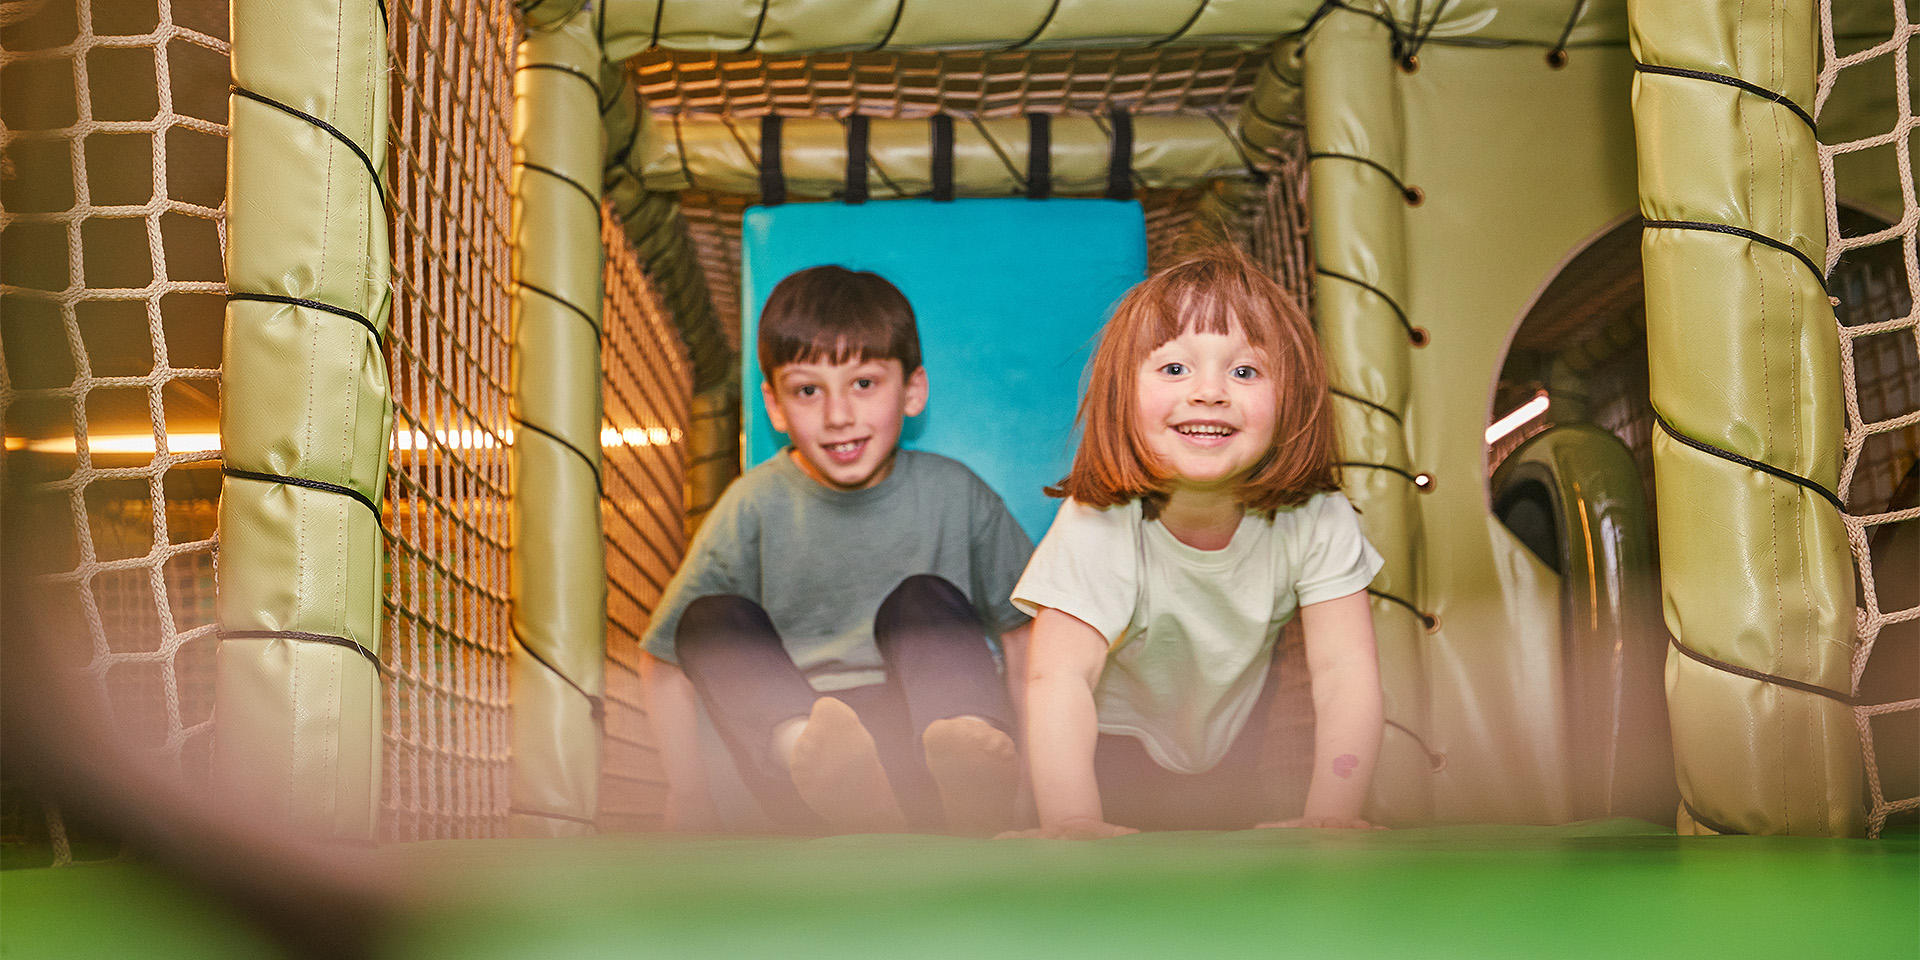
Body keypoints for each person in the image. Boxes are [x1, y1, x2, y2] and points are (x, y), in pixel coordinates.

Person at [640, 265, 1034, 836]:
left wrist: (1032, 781)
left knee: (922, 599)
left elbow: (1028, 636)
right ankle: (819, 761)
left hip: (926, 748)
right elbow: (664, 660)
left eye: (864, 384)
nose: (838, 416)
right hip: (807, 762)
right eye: (807, 391)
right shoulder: (755, 504)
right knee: (708, 619)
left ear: (914, 390)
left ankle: (968, 770)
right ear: (774, 406)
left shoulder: (956, 492)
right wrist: (689, 795)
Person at [1009, 246, 1385, 838]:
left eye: (1244, 371)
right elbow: (1058, 679)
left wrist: (1333, 812)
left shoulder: (1318, 516)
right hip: (1110, 743)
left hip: (1232, 732)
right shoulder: (1101, 520)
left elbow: (1346, 671)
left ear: (1291, 400)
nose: (1209, 392)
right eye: (1174, 369)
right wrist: (1072, 820)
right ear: (1122, 396)